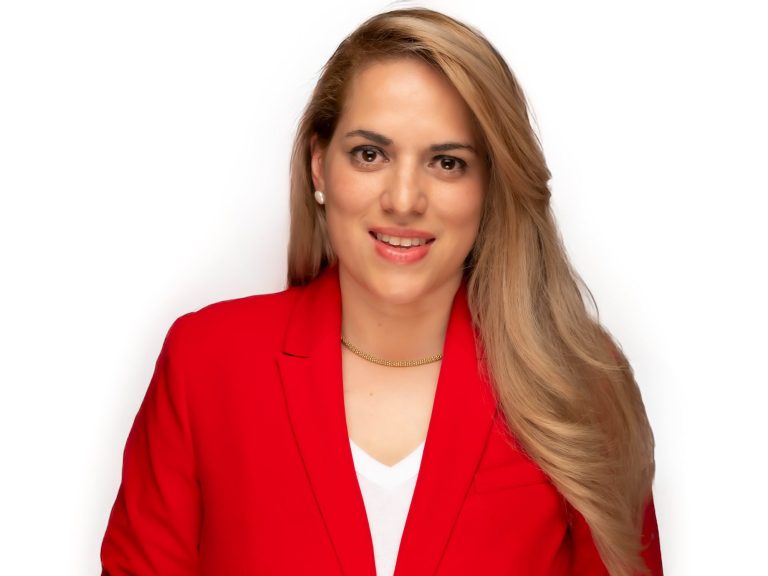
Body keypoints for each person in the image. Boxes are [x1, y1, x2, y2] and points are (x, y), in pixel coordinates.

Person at [101, 8, 663, 576]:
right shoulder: (208, 363)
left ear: (490, 185)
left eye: (447, 162)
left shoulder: (577, 384)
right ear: (319, 165)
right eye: (370, 154)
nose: (403, 199)